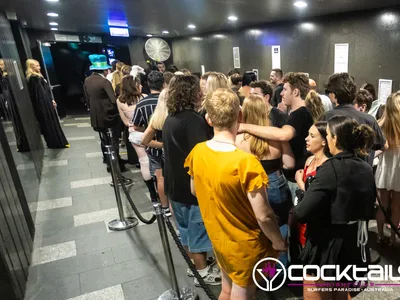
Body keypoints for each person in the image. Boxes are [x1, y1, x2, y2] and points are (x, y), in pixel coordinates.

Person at [185, 88, 286, 298]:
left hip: (218, 237)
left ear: (209, 119)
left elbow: (195, 190)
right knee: (243, 293)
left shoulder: (198, 152)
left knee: (226, 289)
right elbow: (264, 215)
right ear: (239, 116)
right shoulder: (246, 163)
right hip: (245, 245)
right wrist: (278, 241)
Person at [294, 115, 376, 300]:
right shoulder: (365, 167)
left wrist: (302, 188)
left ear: (334, 139)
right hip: (353, 245)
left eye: (329, 135)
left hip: (326, 246)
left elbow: (302, 212)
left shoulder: (330, 169)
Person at [162, 75, 221, 286]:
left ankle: (196, 266)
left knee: (186, 230)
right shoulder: (194, 121)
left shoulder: (171, 118)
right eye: (197, 89)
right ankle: (203, 272)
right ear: (190, 93)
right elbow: (202, 155)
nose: (201, 93)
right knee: (197, 230)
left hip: (174, 184)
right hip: (189, 188)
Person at [236, 94, 294, 268]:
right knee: (280, 224)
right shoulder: (276, 136)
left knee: (256, 225)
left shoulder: (237, 139)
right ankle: (280, 269)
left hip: (248, 185)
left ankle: (260, 269)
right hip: (275, 182)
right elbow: (289, 163)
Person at [239, 72, 314, 196]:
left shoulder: (300, 114)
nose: (281, 93)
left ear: (295, 92)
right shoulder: (295, 113)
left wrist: (244, 127)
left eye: (285, 89)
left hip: (294, 178)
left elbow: (283, 135)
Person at [84, 54, 131, 184]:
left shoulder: (87, 80)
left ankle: (111, 164)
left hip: (96, 118)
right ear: (105, 70)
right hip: (109, 117)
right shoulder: (104, 82)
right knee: (113, 145)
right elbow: (113, 100)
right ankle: (117, 174)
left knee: (105, 143)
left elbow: (88, 99)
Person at [321, 73, 386, 166]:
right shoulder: (369, 119)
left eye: (329, 91)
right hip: (362, 174)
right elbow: (384, 146)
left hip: (334, 173)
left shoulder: (326, 117)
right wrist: (369, 158)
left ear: (334, 94)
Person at [116, 73, 161, 200]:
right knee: (155, 160)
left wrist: (132, 124)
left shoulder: (120, 101)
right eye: (138, 84)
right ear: (134, 85)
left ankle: (152, 193)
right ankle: (160, 187)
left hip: (134, 134)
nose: (141, 85)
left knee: (144, 161)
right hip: (148, 131)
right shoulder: (144, 97)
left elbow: (125, 121)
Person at [294, 122, 329, 254]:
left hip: (315, 223)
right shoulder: (309, 160)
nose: (306, 138)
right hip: (303, 218)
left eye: (312, 136)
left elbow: (315, 196)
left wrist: (299, 182)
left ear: (324, 142)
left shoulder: (327, 166)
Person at [132, 71, 165, 201]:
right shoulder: (169, 102)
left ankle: (163, 205)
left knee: (159, 177)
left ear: (147, 84)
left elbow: (136, 126)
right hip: (170, 145)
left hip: (152, 145)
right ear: (163, 84)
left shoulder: (142, 103)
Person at [25, 59, 69, 149]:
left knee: (50, 122)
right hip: (44, 105)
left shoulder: (37, 77)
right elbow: (41, 94)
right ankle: (55, 142)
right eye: (37, 66)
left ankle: (55, 142)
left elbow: (44, 92)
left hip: (46, 103)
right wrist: (48, 102)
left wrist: (51, 100)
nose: (39, 67)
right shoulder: (34, 78)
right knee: (49, 122)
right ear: (31, 67)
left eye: (39, 65)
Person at [375, 92, 400, 246]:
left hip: (385, 168)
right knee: (397, 206)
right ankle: (393, 236)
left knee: (382, 205)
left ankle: (379, 235)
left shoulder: (382, 124)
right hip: (399, 169)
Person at [140, 88, 170, 214]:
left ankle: (165, 207)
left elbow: (144, 141)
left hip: (157, 153)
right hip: (170, 154)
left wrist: (162, 146)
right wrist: (165, 145)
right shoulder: (174, 117)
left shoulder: (156, 118)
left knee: (160, 179)